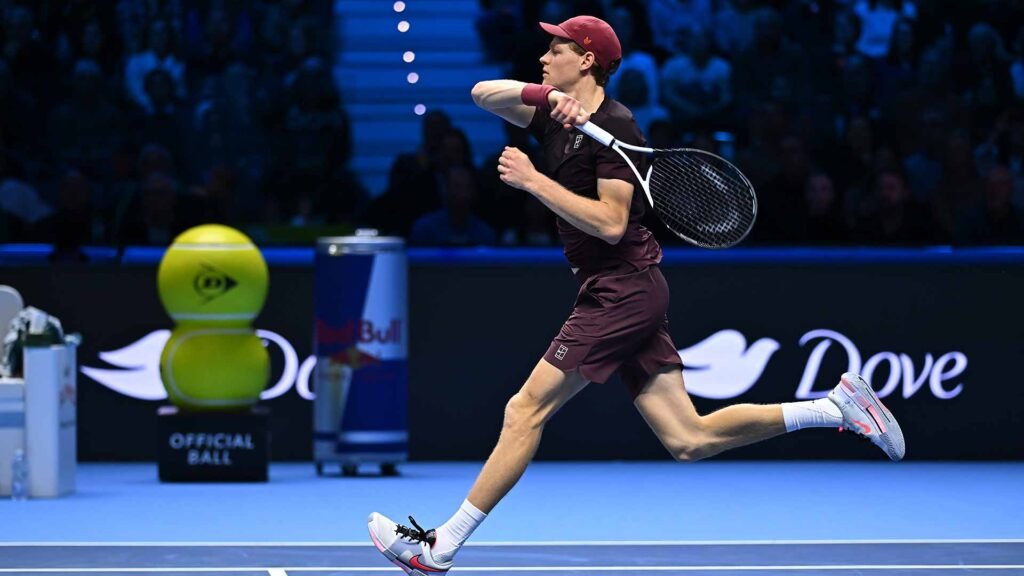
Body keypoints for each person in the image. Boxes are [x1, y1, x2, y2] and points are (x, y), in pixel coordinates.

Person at [368, 15, 905, 576]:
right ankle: (833, 408)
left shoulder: (618, 128)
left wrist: (533, 182)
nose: (543, 57)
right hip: (623, 288)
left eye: (556, 49)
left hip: (620, 290)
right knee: (688, 438)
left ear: (587, 59)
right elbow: (482, 93)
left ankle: (439, 549)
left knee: (523, 411)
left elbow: (610, 223)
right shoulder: (554, 114)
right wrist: (551, 97)